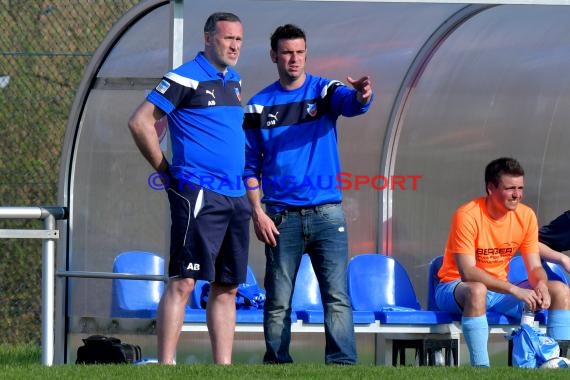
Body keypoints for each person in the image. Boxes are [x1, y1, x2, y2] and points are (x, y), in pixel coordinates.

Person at [242, 24, 374, 365]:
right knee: (278, 300)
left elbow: (351, 104)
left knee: (337, 297)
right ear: (274, 56)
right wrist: (257, 212)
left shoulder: (324, 90)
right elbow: (248, 166)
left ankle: (342, 365)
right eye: (287, 52)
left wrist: (361, 95)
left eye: (300, 52)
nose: (294, 59)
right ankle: (277, 364)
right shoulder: (258, 106)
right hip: (280, 216)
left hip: (327, 214)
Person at [128, 12, 250, 365]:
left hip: (236, 195)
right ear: (208, 38)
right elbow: (140, 122)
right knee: (184, 282)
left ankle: (222, 368)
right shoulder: (183, 77)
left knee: (227, 286)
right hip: (198, 192)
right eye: (228, 38)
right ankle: (166, 366)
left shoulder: (235, 80)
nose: (234, 46)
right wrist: (166, 172)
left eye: (239, 40)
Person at [435, 157, 570, 367]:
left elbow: (534, 266)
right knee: (477, 290)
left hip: (499, 292)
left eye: (520, 188)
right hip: (454, 288)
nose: (517, 195)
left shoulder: (526, 216)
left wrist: (541, 284)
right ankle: (481, 368)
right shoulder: (467, 215)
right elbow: (468, 273)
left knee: (560, 290)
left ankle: (556, 363)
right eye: (510, 189)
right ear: (491, 188)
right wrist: (515, 290)